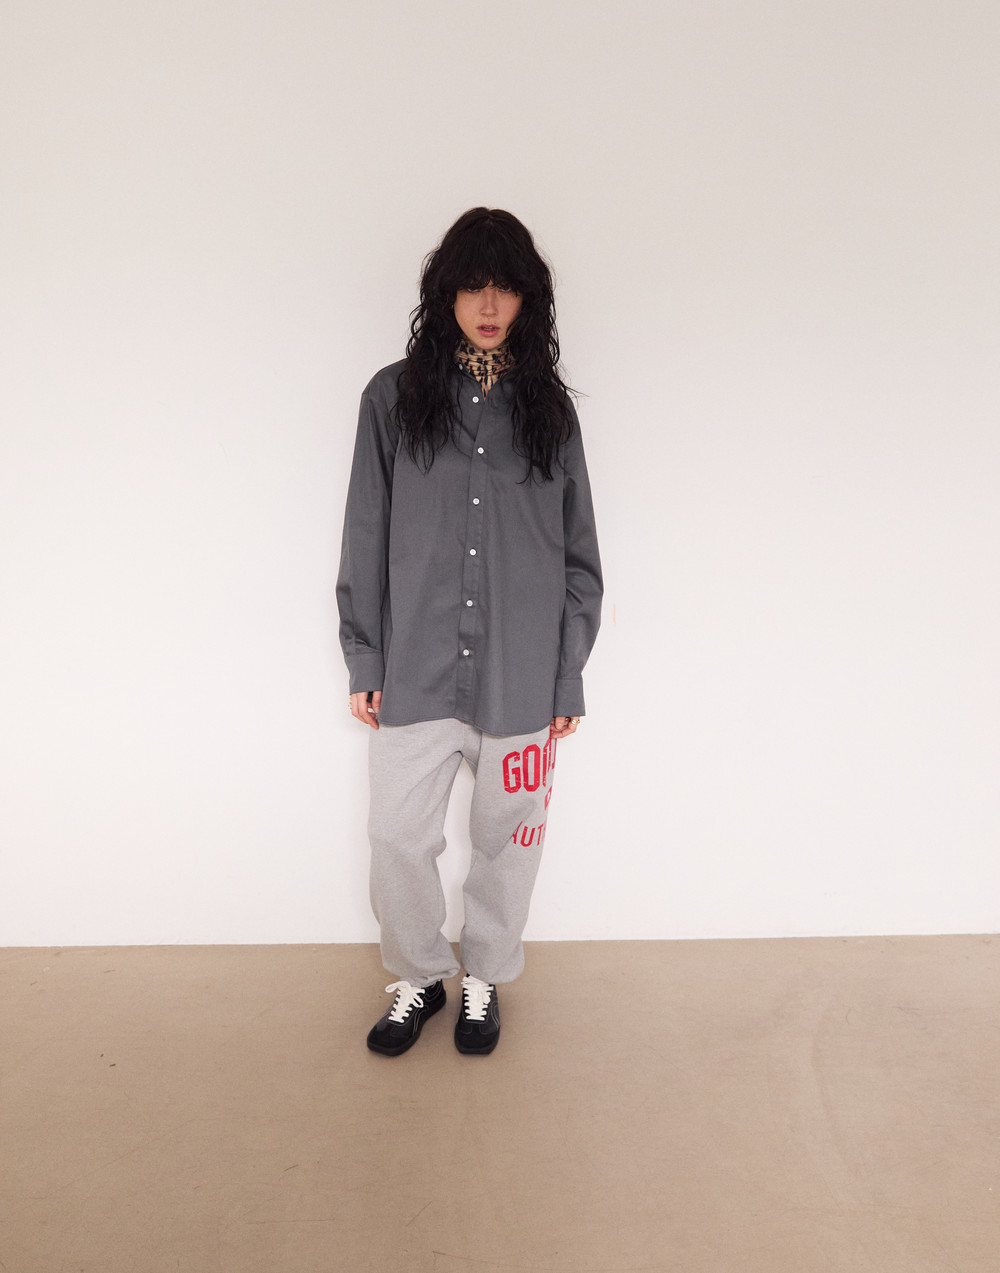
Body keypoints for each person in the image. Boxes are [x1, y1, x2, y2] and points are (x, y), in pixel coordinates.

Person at [337, 207, 602, 1057]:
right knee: (395, 837)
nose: (489, 306)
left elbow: (579, 556)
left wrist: (567, 673)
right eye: (472, 287)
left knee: (507, 845)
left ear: (529, 299)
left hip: (522, 675)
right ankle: (419, 975)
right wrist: (365, 654)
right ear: (444, 293)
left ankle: (483, 976)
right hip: (415, 667)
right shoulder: (391, 399)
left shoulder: (550, 415)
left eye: (506, 288)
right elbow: (366, 534)